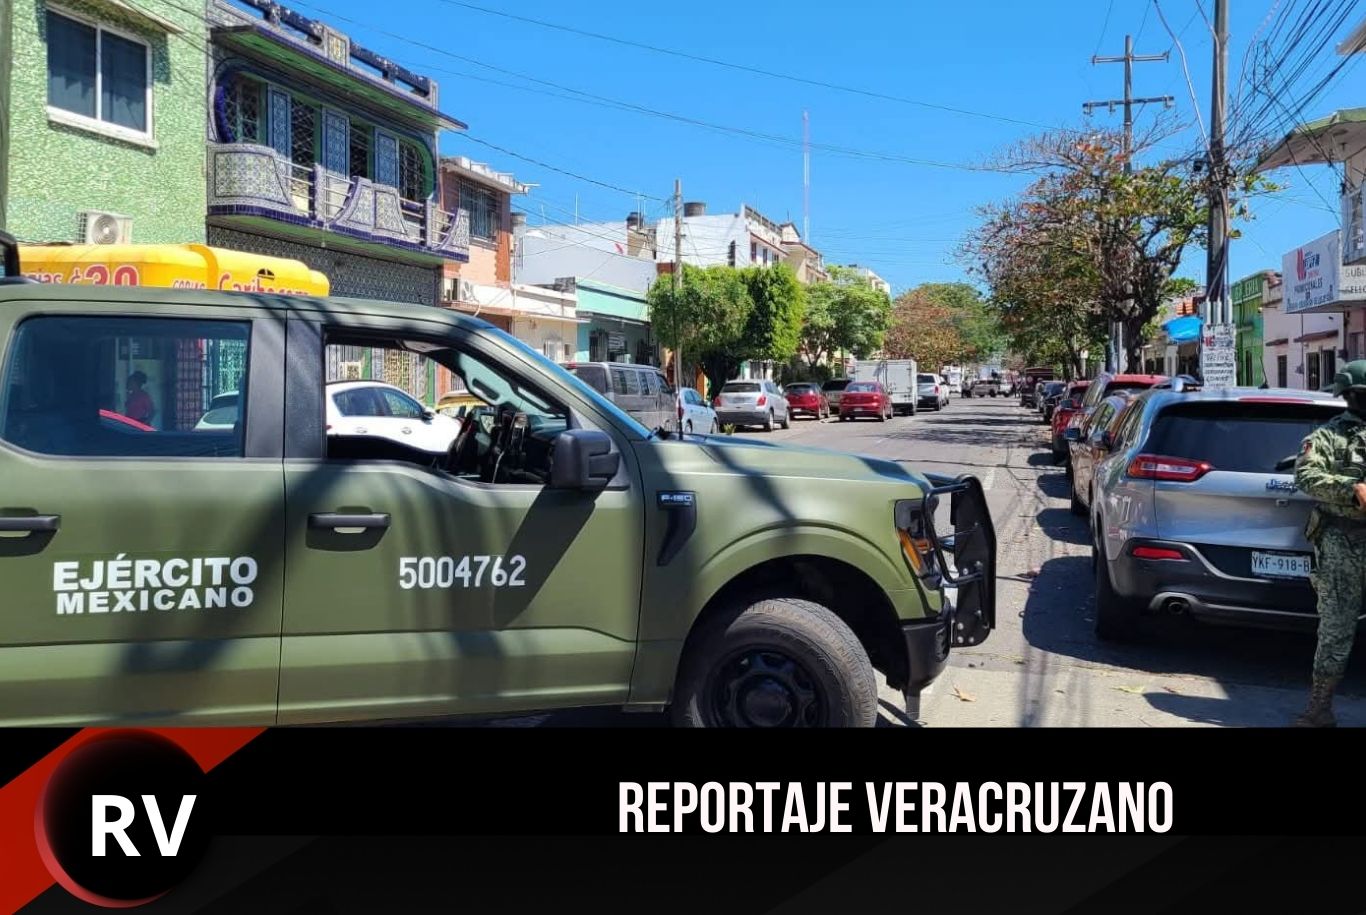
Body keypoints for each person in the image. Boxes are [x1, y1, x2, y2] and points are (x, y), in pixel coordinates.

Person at [1292, 360, 1366, 727]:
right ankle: (1319, 707)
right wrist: (1351, 490)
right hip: (1343, 541)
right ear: (1353, 396)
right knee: (1336, 627)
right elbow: (1306, 475)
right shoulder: (1328, 436)